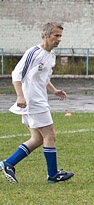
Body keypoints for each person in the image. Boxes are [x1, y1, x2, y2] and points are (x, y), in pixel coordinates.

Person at [1, 22, 74, 184]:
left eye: (60, 36)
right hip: (32, 101)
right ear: (46, 35)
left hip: (37, 100)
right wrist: (20, 96)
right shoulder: (33, 52)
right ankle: (53, 175)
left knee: (37, 139)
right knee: (50, 135)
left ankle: (8, 164)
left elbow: (44, 78)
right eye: (56, 35)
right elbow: (16, 74)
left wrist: (54, 90)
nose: (59, 39)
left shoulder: (51, 56)